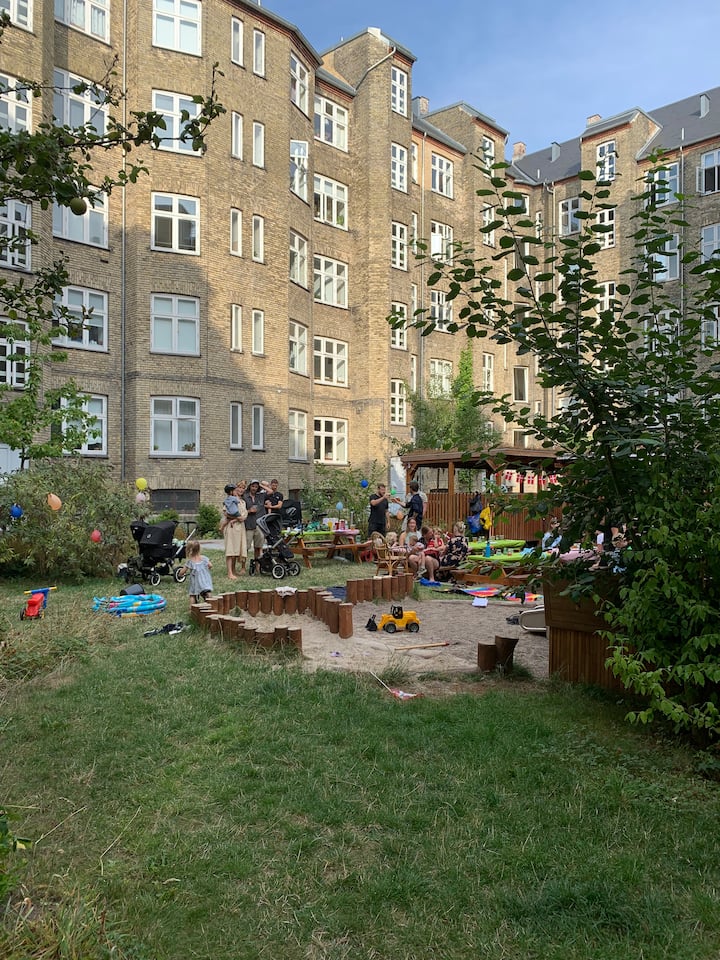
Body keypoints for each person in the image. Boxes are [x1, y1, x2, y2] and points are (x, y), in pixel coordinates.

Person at [222, 482, 247, 578]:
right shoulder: (229, 500)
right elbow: (226, 513)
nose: (239, 491)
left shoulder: (242, 502)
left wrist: (239, 519)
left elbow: (244, 514)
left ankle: (233, 570)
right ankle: (229, 572)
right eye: (237, 489)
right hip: (231, 527)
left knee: (236, 549)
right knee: (230, 549)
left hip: (240, 527)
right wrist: (237, 518)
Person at [243, 479, 266, 561]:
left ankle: (257, 565)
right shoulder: (245, 496)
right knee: (246, 547)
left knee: (258, 547)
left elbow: (270, 491)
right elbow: (241, 511)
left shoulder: (260, 496)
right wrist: (249, 511)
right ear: (250, 487)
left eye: (256, 487)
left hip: (258, 525)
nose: (254, 488)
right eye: (253, 486)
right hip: (249, 525)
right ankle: (243, 566)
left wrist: (261, 485)